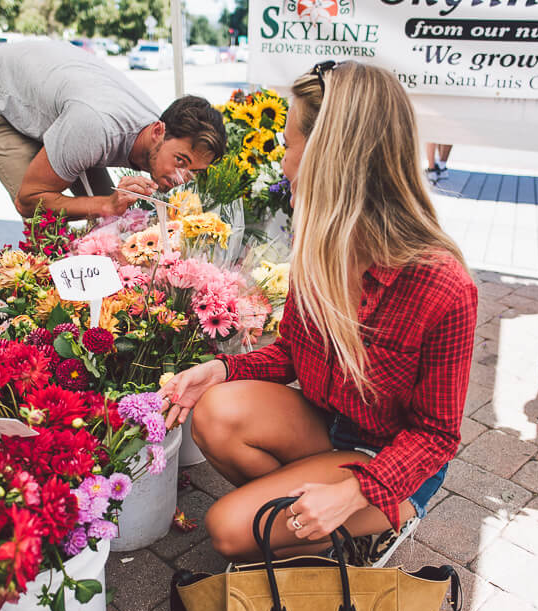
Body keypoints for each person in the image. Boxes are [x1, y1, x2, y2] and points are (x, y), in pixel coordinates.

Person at [159, 60, 478, 563]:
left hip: (389, 460)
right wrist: (221, 369)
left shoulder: (441, 283)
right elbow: (291, 351)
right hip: (329, 425)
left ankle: (358, 522)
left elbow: (436, 436)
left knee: (226, 529)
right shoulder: (321, 244)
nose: (284, 164)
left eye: (289, 146)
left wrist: (354, 492)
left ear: (332, 155)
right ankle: (321, 525)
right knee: (215, 412)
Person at [0, 40, 226, 220]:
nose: (182, 178)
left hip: (65, 101)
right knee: (48, 225)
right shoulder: (96, 128)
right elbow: (28, 202)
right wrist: (107, 205)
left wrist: (108, 207)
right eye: (181, 161)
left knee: (113, 220)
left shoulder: (157, 133)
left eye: (194, 172)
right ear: (158, 131)